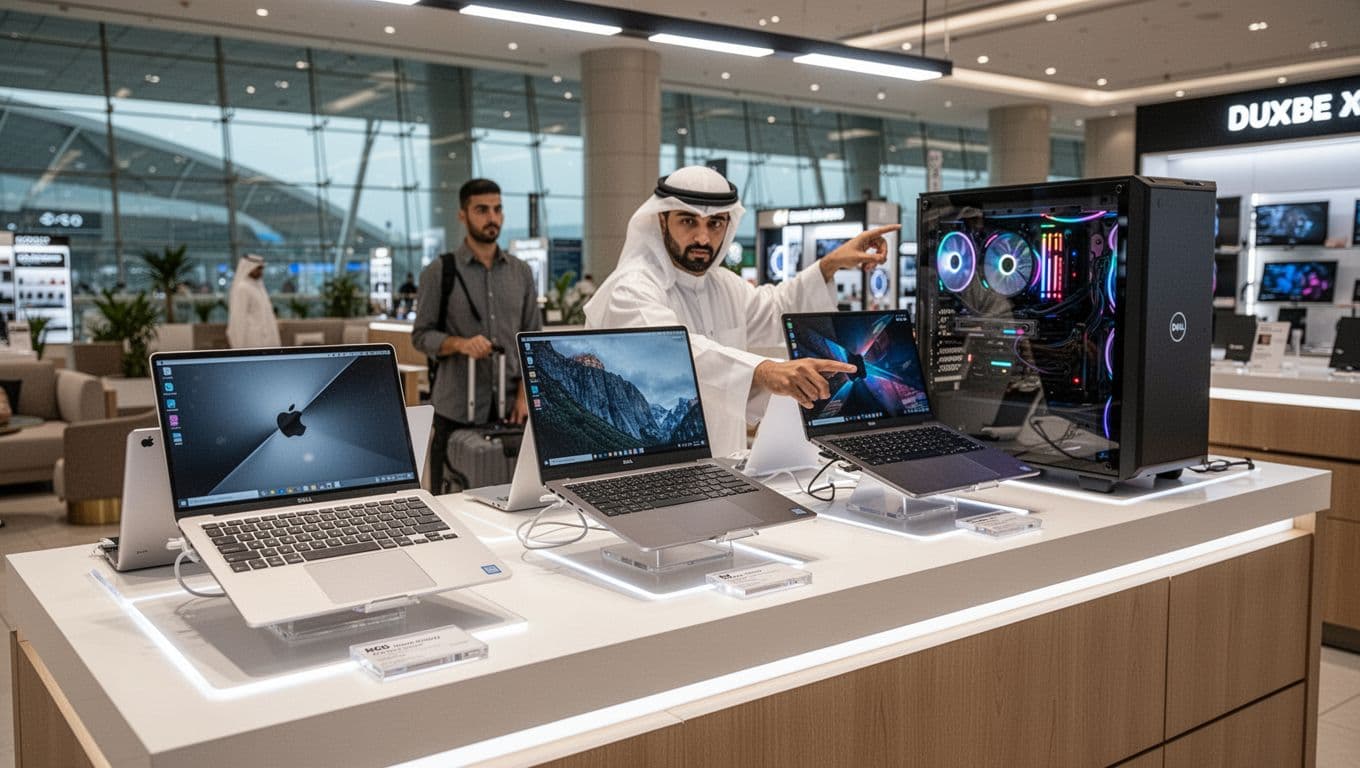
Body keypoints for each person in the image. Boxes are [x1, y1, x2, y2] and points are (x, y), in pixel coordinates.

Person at [584, 165, 899, 457]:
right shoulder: (631, 288)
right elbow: (674, 354)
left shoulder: (723, 285)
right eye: (688, 221)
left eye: (715, 223)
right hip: (650, 475)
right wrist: (764, 371)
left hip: (725, 468)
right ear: (662, 220)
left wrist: (830, 265)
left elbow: (776, 308)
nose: (703, 237)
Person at [412, 179, 542, 492]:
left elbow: (531, 340)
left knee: (512, 501)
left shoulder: (521, 272)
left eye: (497, 209)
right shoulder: (439, 272)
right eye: (482, 210)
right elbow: (421, 336)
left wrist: (524, 396)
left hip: (511, 414)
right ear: (463, 215)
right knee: (449, 501)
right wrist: (460, 344)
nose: (492, 218)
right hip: (456, 410)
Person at [226, 254, 281, 349]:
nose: (261, 271)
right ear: (249, 267)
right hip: (251, 341)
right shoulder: (242, 288)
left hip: (265, 340)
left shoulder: (259, 287)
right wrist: (239, 346)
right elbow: (238, 319)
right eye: (258, 268)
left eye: (262, 268)